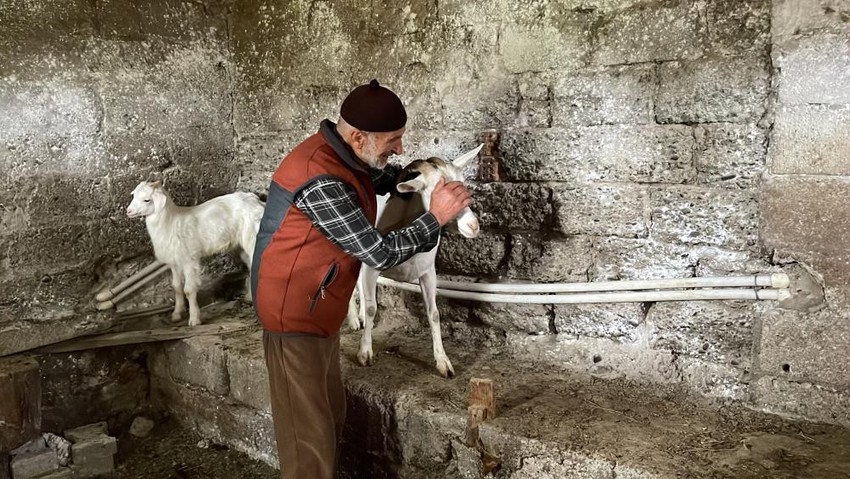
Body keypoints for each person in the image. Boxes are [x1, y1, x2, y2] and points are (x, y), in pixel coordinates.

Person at [251, 79, 472, 479]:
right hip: (292, 315)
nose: (400, 149)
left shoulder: (344, 160)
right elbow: (379, 252)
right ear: (357, 137)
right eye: (394, 140)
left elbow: (372, 179)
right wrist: (435, 216)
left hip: (317, 310)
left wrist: (420, 175)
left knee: (329, 417)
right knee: (308, 446)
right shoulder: (317, 176)